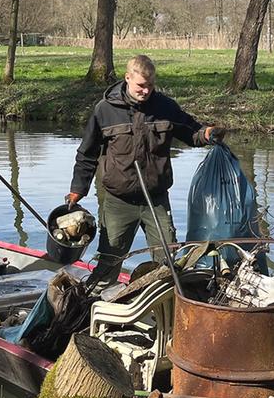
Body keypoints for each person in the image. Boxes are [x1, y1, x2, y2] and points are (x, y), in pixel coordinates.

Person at [66, 55, 225, 285]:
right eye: (141, 85)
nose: (146, 91)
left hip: (156, 199)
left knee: (168, 263)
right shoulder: (104, 110)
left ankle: (163, 311)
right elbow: (87, 154)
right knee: (108, 262)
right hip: (118, 201)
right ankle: (95, 307)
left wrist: (207, 134)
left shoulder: (165, 107)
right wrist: (77, 189)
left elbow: (190, 131)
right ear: (127, 78)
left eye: (150, 86)